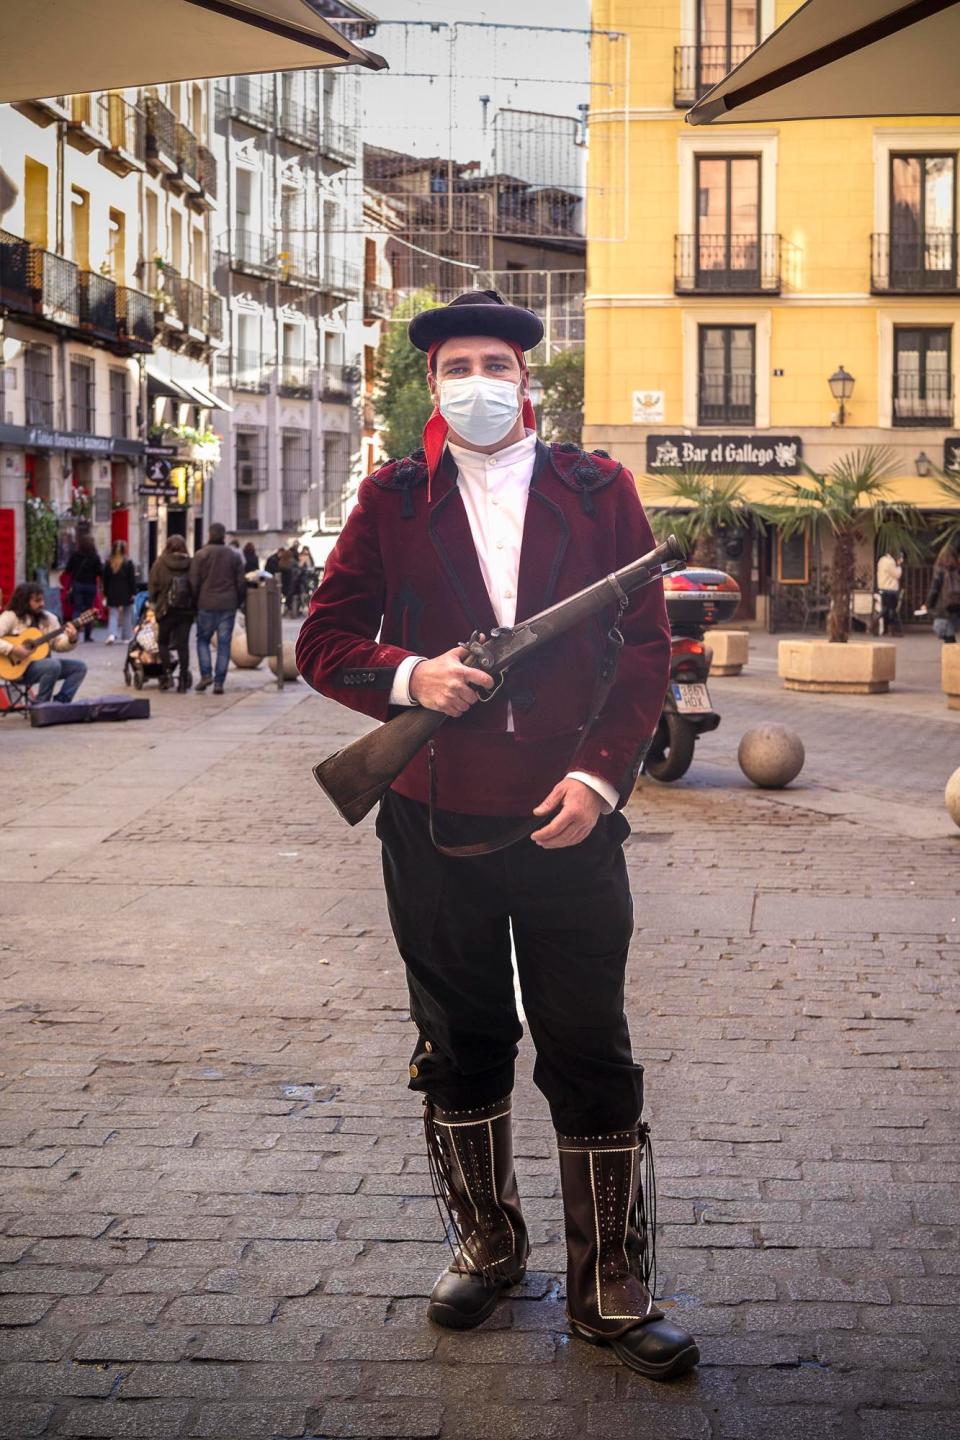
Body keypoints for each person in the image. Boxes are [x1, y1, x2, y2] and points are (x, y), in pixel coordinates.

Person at [296, 290, 698, 1380]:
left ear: (530, 381)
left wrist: (601, 776)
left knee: (591, 1049)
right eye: (456, 366)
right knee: (459, 1044)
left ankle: (611, 1282)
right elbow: (324, 642)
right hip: (432, 820)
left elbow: (648, 649)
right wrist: (410, 677)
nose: (478, 382)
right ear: (434, 385)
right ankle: (488, 1246)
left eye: (497, 364)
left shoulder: (596, 488)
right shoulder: (394, 498)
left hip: (571, 818)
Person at [0, 582, 86, 702]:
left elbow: (57, 644)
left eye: (42, 600)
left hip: (42, 667)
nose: (42, 604)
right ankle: (41, 705)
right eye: (37, 601)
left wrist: (72, 639)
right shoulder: (10, 617)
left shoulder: (50, 619)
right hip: (16, 669)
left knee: (79, 667)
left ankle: (60, 703)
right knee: (53, 665)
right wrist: (13, 649)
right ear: (24, 601)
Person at [190, 521, 246, 693]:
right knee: (224, 644)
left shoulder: (201, 555)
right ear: (224, 536)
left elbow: (194, 581)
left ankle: (206, 674)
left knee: (203, 640)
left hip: (206, 603)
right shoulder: (233, 555)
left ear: (209, 535)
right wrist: (238, 601)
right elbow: (240, 582)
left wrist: (196, 600)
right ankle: (219, 682)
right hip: (228, 604)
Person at [149, 534, 195, 692]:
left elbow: (153, 588)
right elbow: (195, 585)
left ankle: (167, 673)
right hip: (186, 610)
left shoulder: (160, 563)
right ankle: (183, 679)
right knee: (183, 645)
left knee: (163, 642)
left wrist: (154, 603)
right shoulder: (191, 563)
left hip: (166, 609)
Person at [918, 541, 960, 641]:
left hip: (944, 607)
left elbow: (934, 589)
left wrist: (927, 604)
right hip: (956, 606)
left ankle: (951, 654)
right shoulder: (957, 569)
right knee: (950, 632)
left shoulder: (940, 569)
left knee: (945, 632)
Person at [63, 533, 102, 641]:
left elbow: (68, 569)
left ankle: (74, 633)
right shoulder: (95, 556)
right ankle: (87, 635)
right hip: (90, 585)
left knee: (77, 609)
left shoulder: (75, 555)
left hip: (78, 584)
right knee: (89, 610)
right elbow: (100, 571)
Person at [102, 540, 138, 644]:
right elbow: (132, 580)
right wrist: (133, 592)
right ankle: (126, 637)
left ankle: (112, 634)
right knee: (127, 614)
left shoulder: (109, 563)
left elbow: (105, 579)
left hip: (112, 591)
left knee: (113, 614)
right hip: (126, 591)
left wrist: (105, 593)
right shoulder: (128, 563)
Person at [876, 550, 903, 636]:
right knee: (891, 609)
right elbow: (896, 574)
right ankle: (893, 629)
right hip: (890, 589)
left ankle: (886, 629)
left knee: (886, 608)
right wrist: (899, 566)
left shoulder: (881, 560)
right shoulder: (890, 562)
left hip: (882, 587)